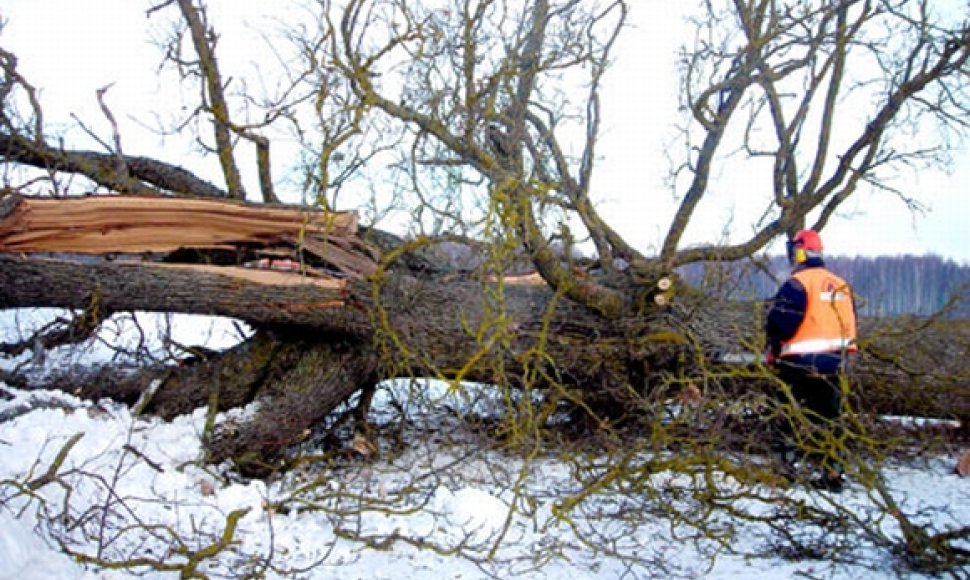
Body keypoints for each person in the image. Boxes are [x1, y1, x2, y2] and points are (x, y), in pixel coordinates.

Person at [764, 229, 858, 491]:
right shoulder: (840, 285)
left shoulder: (798, 284)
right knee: (830, 420)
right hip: (834, 364)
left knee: (787, 416)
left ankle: (784, 470)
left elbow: (780, 323)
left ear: (799, 252)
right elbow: (851, 325)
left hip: (798, 363)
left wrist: (772, 348)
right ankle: (833, 473)